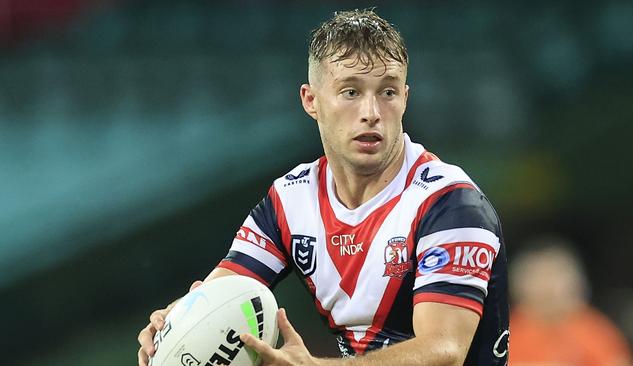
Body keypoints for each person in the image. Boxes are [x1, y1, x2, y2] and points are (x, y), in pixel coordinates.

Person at [138, 9, 509, 366]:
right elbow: (221, 293)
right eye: (350, 92)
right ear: (311, 100)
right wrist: (171, 326)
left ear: (405, 99)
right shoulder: (290, 199)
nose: (371, 112)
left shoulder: (450, 203)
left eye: (388, 92)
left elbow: (443, 352)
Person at [509, 237, 633, 366]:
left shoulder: (596, 332)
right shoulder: (502, 332)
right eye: (538, 276)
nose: (548, 287)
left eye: (555, 275)